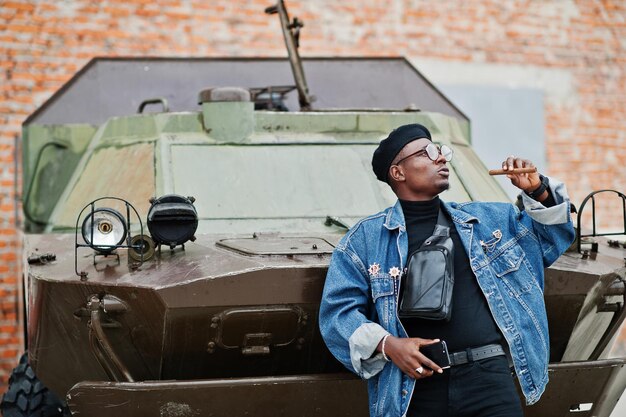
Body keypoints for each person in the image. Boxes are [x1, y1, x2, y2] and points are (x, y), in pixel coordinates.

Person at [319, 123, 575, 417]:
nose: (440, 158)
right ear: (398, 172)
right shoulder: (365, 240)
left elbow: (550, 241)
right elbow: (337, 314)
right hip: (415, 387)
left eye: (440, 151)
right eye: (427, 153)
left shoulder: (490, 221)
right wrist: (389, 345)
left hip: (489, 381)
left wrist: (539, 190)